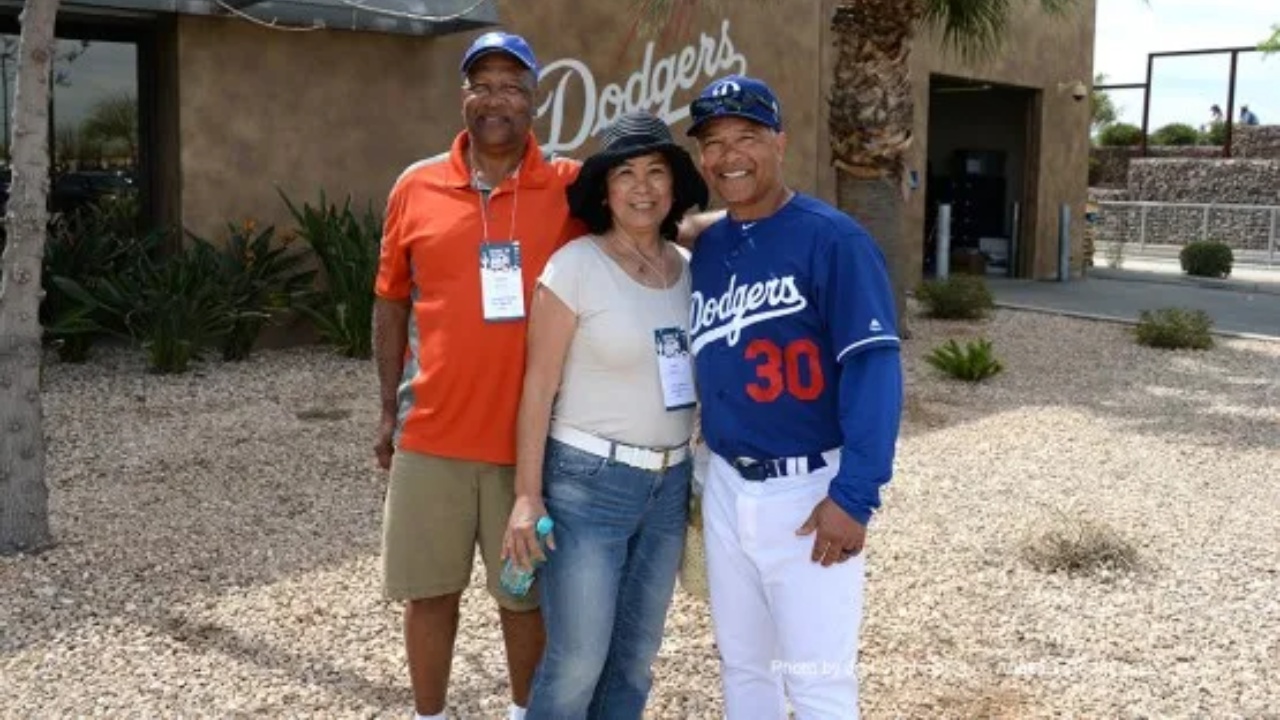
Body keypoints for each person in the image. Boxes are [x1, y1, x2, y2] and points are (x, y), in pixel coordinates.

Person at [373, 31, 585, 720]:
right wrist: (386, 414)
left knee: (522, 599)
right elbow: (391, 301)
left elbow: (649, 225)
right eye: (482, 83)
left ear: (535, 102)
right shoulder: (415, 184)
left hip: (527, 448)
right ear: (463, 96)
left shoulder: (569, 189)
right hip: (430, 437)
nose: (496, 98)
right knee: (429, 594)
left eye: (513, 86)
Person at [684, 75, 904, 719]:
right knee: (743, 670)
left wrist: (855, 496)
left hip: (810, 492)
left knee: (816, 681)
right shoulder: (711, 246)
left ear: (781, 141)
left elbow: (874, 374)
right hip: (726, 483)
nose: (730, 156)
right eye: (715, 142)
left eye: (748, 137)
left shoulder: (835, 240)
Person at [502, 112, 710, 720]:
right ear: (604, 189)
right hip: (587, 485)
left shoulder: (690, 271)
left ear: (674, 189)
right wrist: (525, 497)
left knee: (635, 661)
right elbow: (537, 388)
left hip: (668, 488)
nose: (642, 188)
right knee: (576, 663)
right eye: (626, 174)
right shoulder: (575, 267)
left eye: (656, 173)